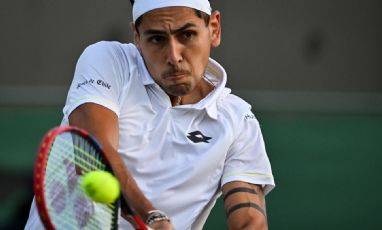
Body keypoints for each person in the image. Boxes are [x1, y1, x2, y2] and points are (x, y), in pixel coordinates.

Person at [25, 0, 275, 229]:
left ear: (214, 29)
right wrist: (152, 217)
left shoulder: (239, 119)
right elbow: (93, 155)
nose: (173, 56)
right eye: (157, 39)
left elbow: (249, 221)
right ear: (136, 36)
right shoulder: (108, 61)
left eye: (187, 35)